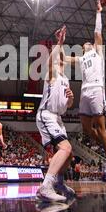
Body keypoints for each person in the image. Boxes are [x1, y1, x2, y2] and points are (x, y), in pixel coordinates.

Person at [63, 0, 106, 181]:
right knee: (86, 129)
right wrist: (58, 45)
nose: (85, 43)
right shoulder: (82, 58)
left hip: (96, 90)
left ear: (93, 46)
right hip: (84, 92)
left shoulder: (97, 52)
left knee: (101, 128)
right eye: (84, 44)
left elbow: (97, 32)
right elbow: (65, 60)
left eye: (88, 43)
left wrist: (98, 12)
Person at [36, 25, 76, 202]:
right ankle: (46, 186)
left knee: (69, 153)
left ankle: (59, 183)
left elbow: (66, 106)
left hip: (58, 117)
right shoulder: (51, 74)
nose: (60, 62)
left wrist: (70, 99)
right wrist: (59, 43)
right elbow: (49, 62)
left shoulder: (65, 80)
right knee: (65, 148)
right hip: (46, 114)